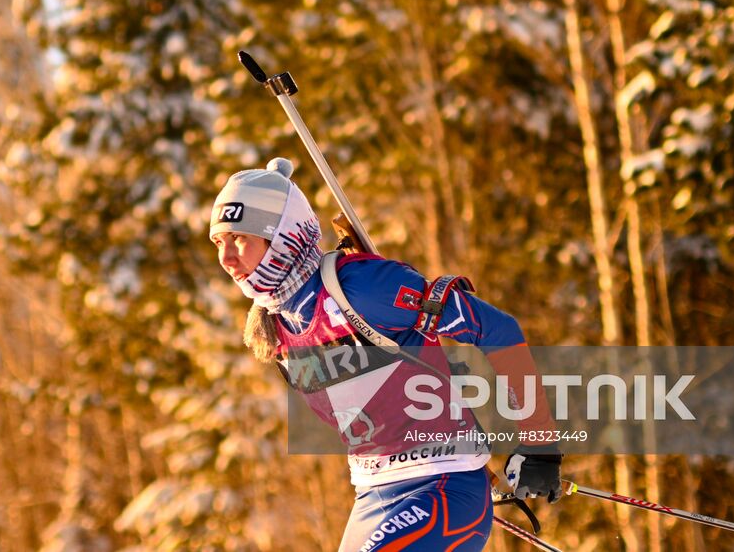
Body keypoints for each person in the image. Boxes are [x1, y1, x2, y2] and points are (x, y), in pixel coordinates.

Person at [210, 157, 563, 552]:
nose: (226, 259)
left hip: (444, 486)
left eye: (239, 238)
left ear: (283, 237)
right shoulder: (273, 329)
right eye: (219, 243)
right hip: (371, 496)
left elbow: (497, 331)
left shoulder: (360, 287)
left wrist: (539, 443)